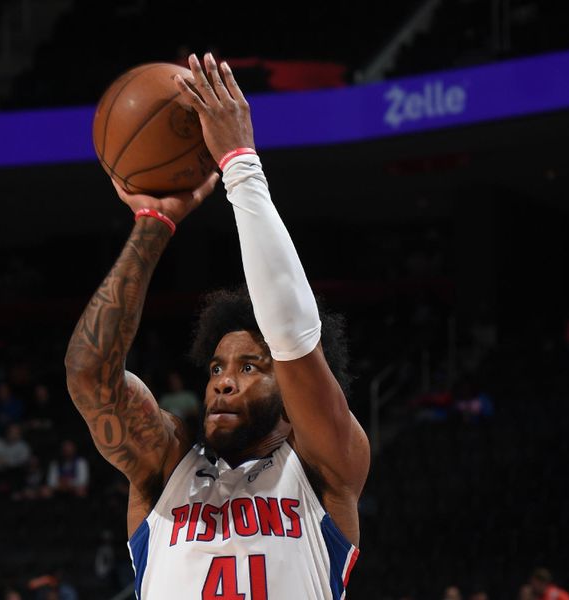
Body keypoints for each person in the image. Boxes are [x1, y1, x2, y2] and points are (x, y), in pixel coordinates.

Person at [64, 53, 370, 599]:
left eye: (251, 366)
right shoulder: (167, 464)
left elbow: (293, 336)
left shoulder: (323, 466)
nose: (223, 381)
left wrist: (240, 164)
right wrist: (153, 225)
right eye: (216, 368)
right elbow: (90, 379)